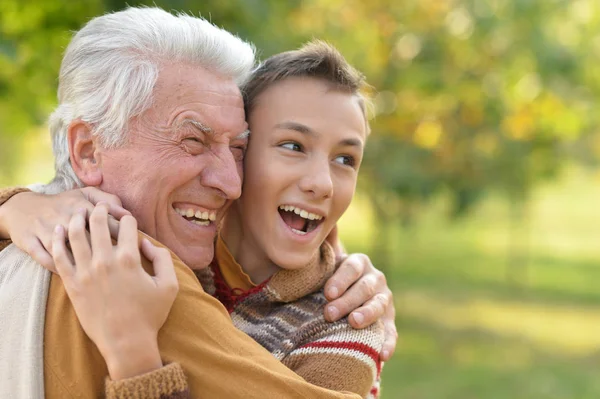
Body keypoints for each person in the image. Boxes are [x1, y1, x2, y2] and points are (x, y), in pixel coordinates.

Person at [0, 7, 396, 398]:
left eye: (237, 148)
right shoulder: (131, 267)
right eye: (192, 141)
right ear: (87, 151)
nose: (230, 183)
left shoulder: (341, 314)